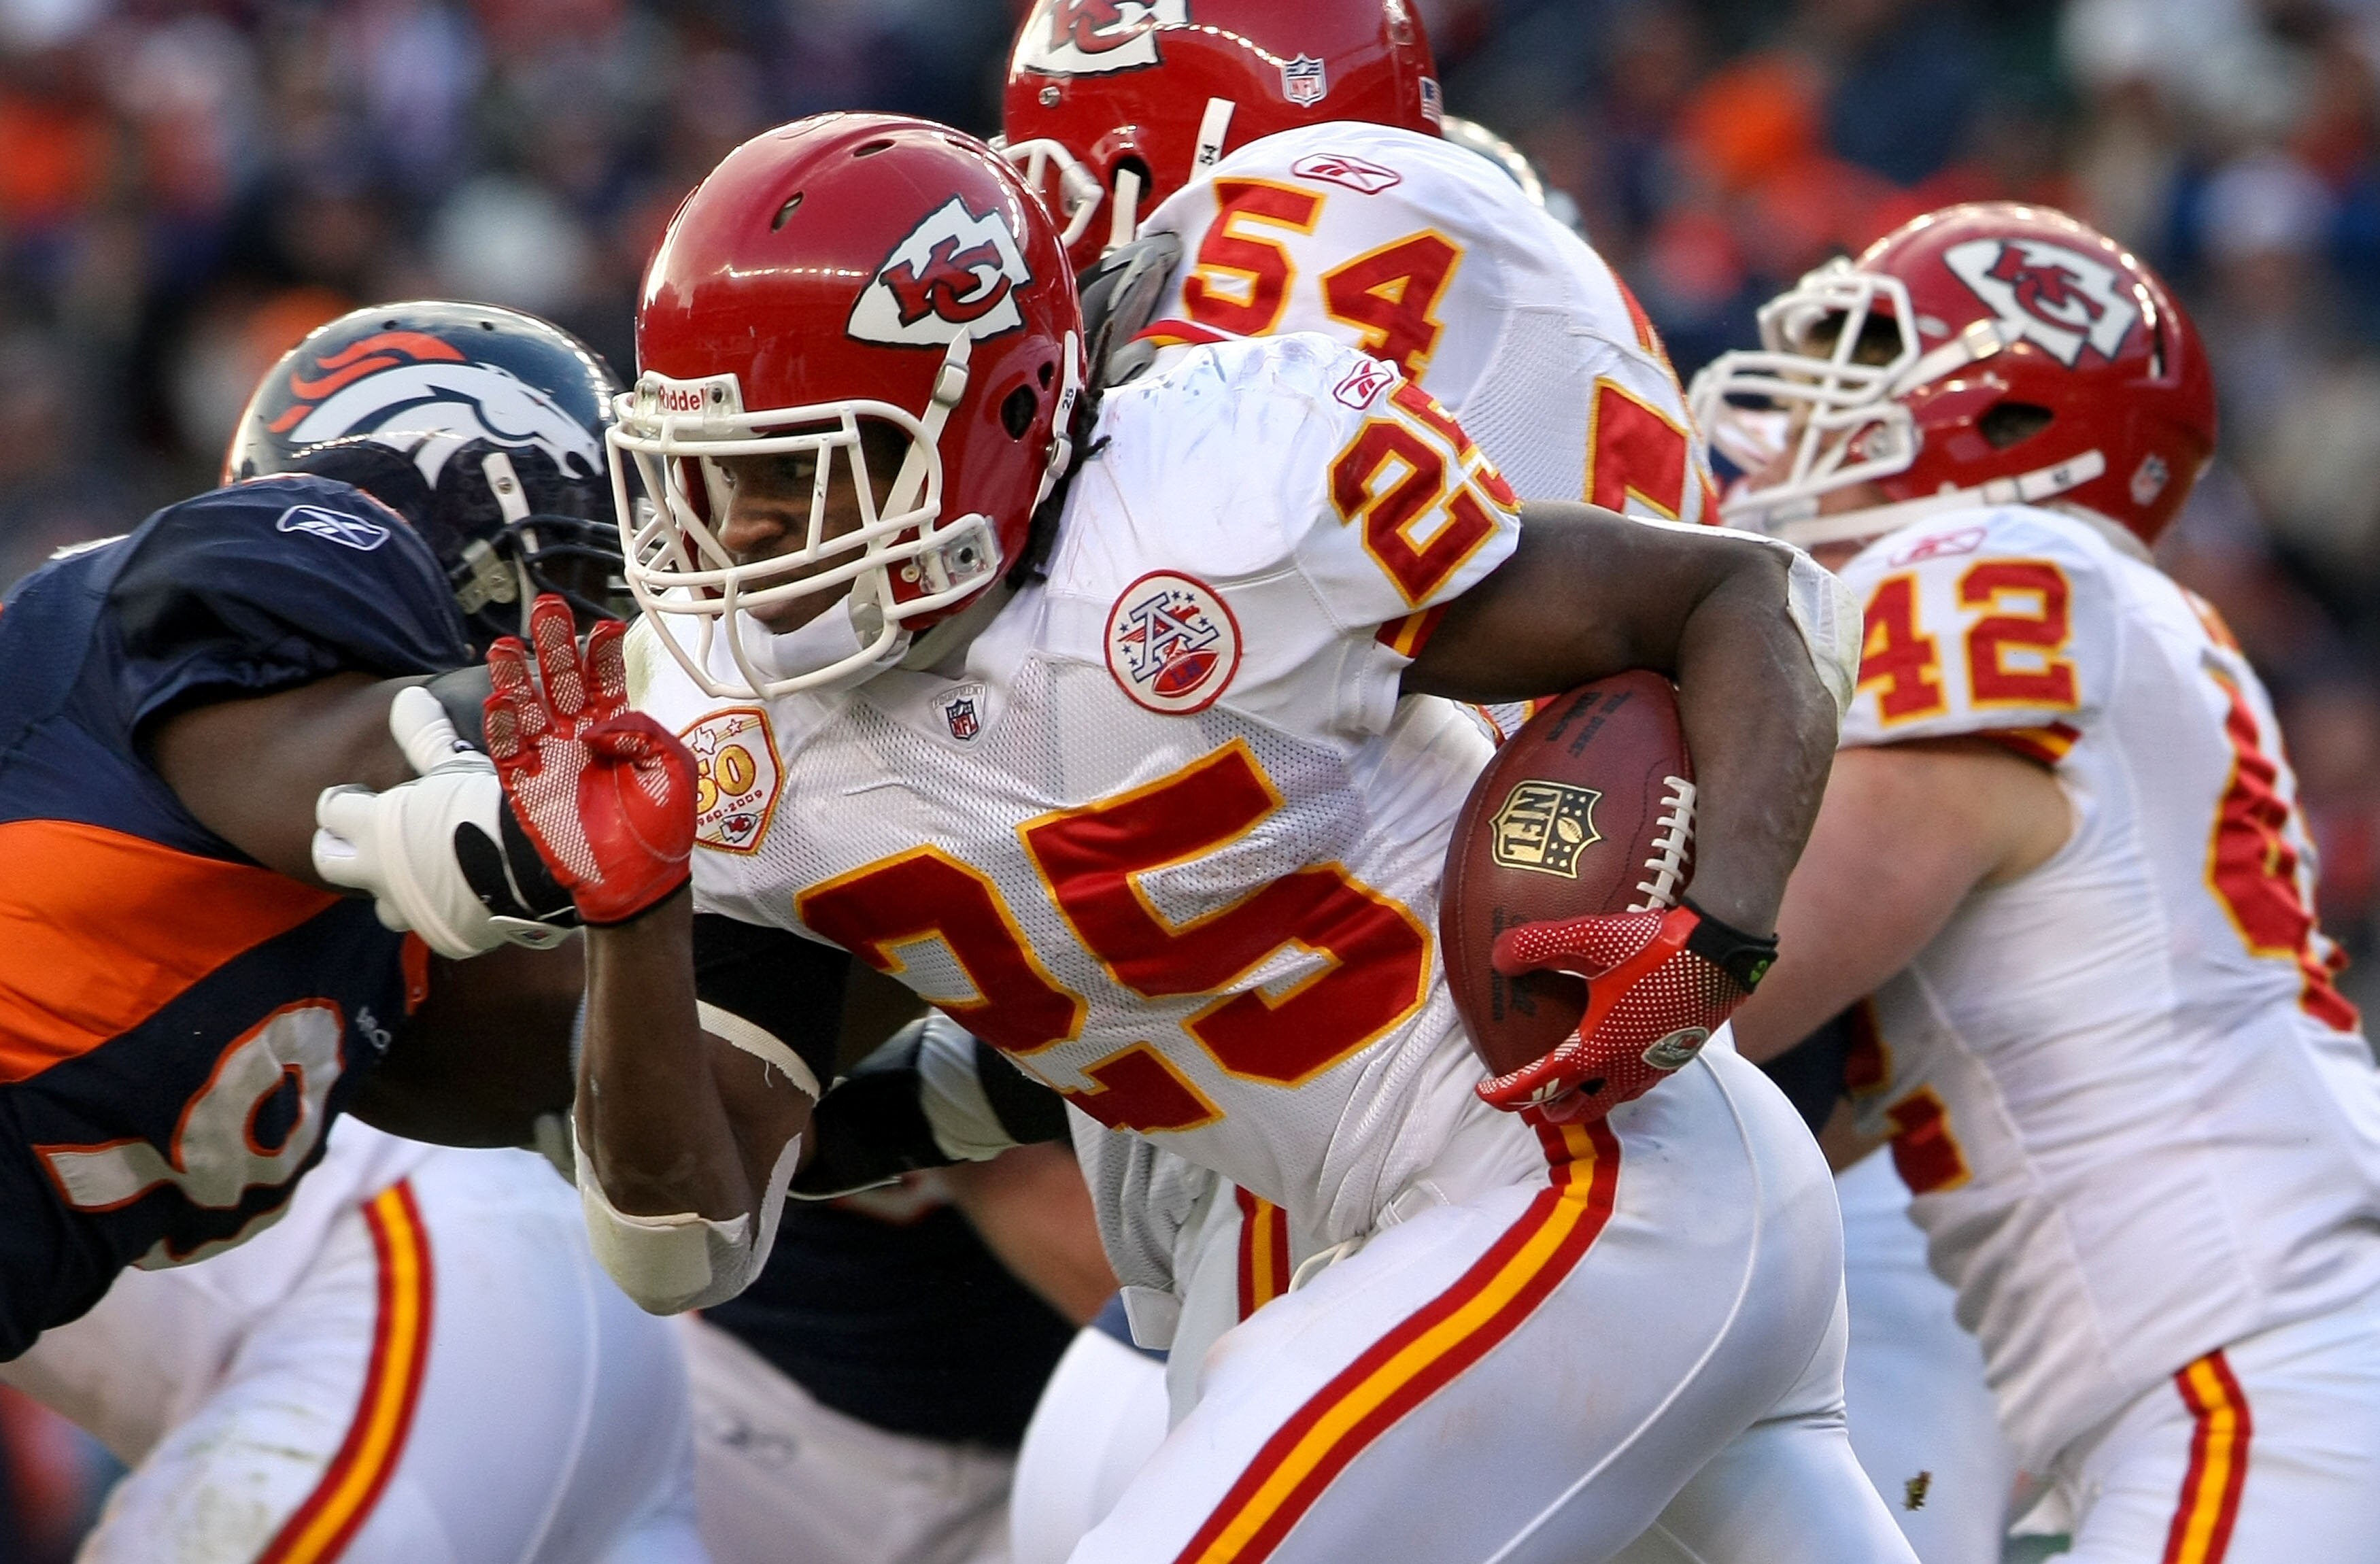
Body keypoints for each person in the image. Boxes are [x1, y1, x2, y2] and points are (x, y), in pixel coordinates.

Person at [417, 111, 1914, 1562]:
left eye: (799, 472)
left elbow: (1740, 597)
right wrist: (632, 920)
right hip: (1433, 1238)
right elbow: (681, 1244)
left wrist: (1715, 934)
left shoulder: (1224, 494)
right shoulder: (732, 730)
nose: (742, 539)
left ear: (997, 415)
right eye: (706, 479)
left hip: (1585, 1177)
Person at [994, 4, 1726, 1544]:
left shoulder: (1289, 241)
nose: (1035, 204)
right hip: (1545, 1039)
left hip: (1355, 1049)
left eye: (1066, 156)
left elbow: (1166, 661)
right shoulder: (1507, 258)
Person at [1696, 201, 2380, 1561]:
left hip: (2257, 1358)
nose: (1789, 432)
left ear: (2002, 420)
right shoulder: (2100, 612)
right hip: (2243, 1355)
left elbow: (1726, 980)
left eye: (1861, 365)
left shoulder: (1985, 566)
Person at [0, 301, 703, 1561]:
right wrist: (755, 717)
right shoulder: (226, 607)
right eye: (595, 584)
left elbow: (583, 1080)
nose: (614, 632)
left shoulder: (377, 936)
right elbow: (392, 757)